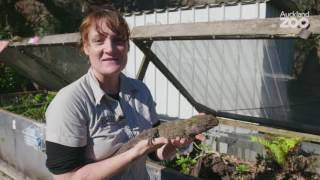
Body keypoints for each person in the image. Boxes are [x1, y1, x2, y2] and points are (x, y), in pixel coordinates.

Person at [45, 5, 201, 180]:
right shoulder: (70, 102)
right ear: (86, 47)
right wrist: (133, 153)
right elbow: (66, 178)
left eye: (118, 40)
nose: (110, 49)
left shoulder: (140, 91)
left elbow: (155, 154)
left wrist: (175, 144)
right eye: (99, 40)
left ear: (127, 46)